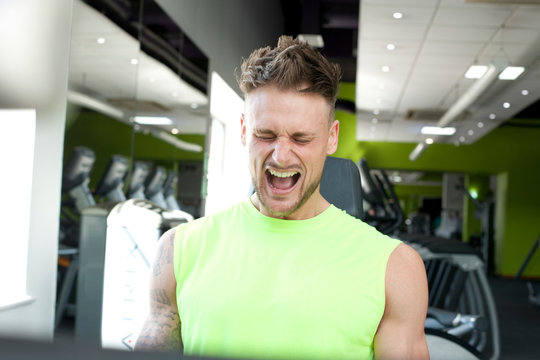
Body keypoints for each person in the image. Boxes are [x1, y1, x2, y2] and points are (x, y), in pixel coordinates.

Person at [135, 35, 429, 359]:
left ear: (331, 138)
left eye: (301, 138)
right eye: (266, 135)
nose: (282, 156)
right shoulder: (179, 250)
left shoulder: (395, 268)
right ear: (245, 130)